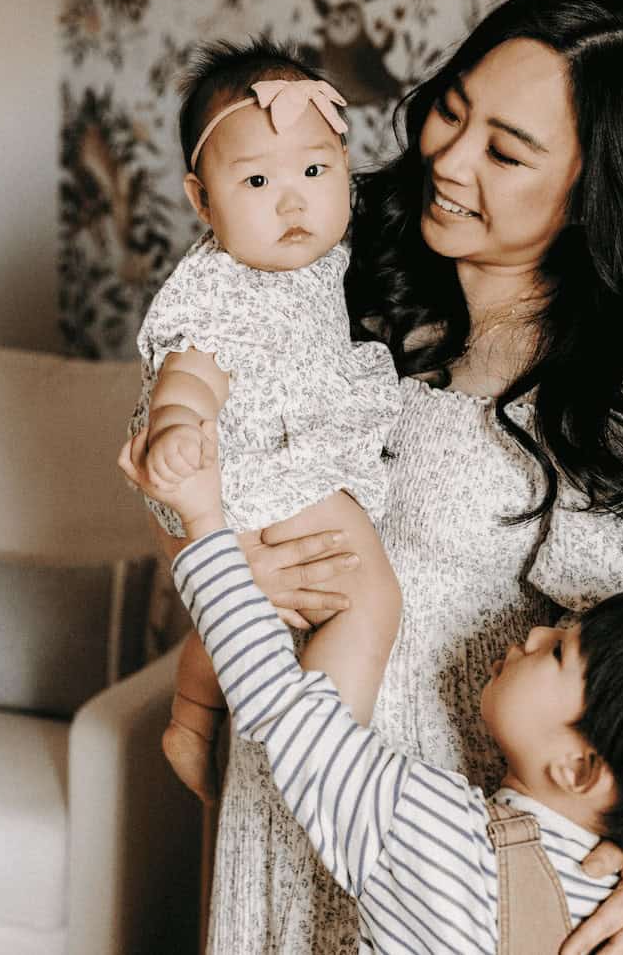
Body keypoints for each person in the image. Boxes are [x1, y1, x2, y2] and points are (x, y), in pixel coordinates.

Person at [124, 0, 623, 954]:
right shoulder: (337, 251)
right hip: (285, 756)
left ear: (598, 187)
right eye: (452, 111)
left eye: (506, 151)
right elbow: (190, 438)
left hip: (445, 841)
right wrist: (225, 560)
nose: (448, 160)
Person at [123, 422, 623, 954]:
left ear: (580, 766)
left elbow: (280, 700)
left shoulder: (430, 829)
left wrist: (205, 523)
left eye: (559, 652)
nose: (533, 634)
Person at [129, 39, 405, 803]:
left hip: (286, 455)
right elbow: (191, 369)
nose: (293, 203)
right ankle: (325, 760)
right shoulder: (224, 285)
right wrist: (177, 425)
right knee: (367, 592)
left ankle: (192, 716)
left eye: (315, 171)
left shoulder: (324, 261)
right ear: (201, 201)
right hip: (256, 463)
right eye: (256, 180)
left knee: (261, 604)